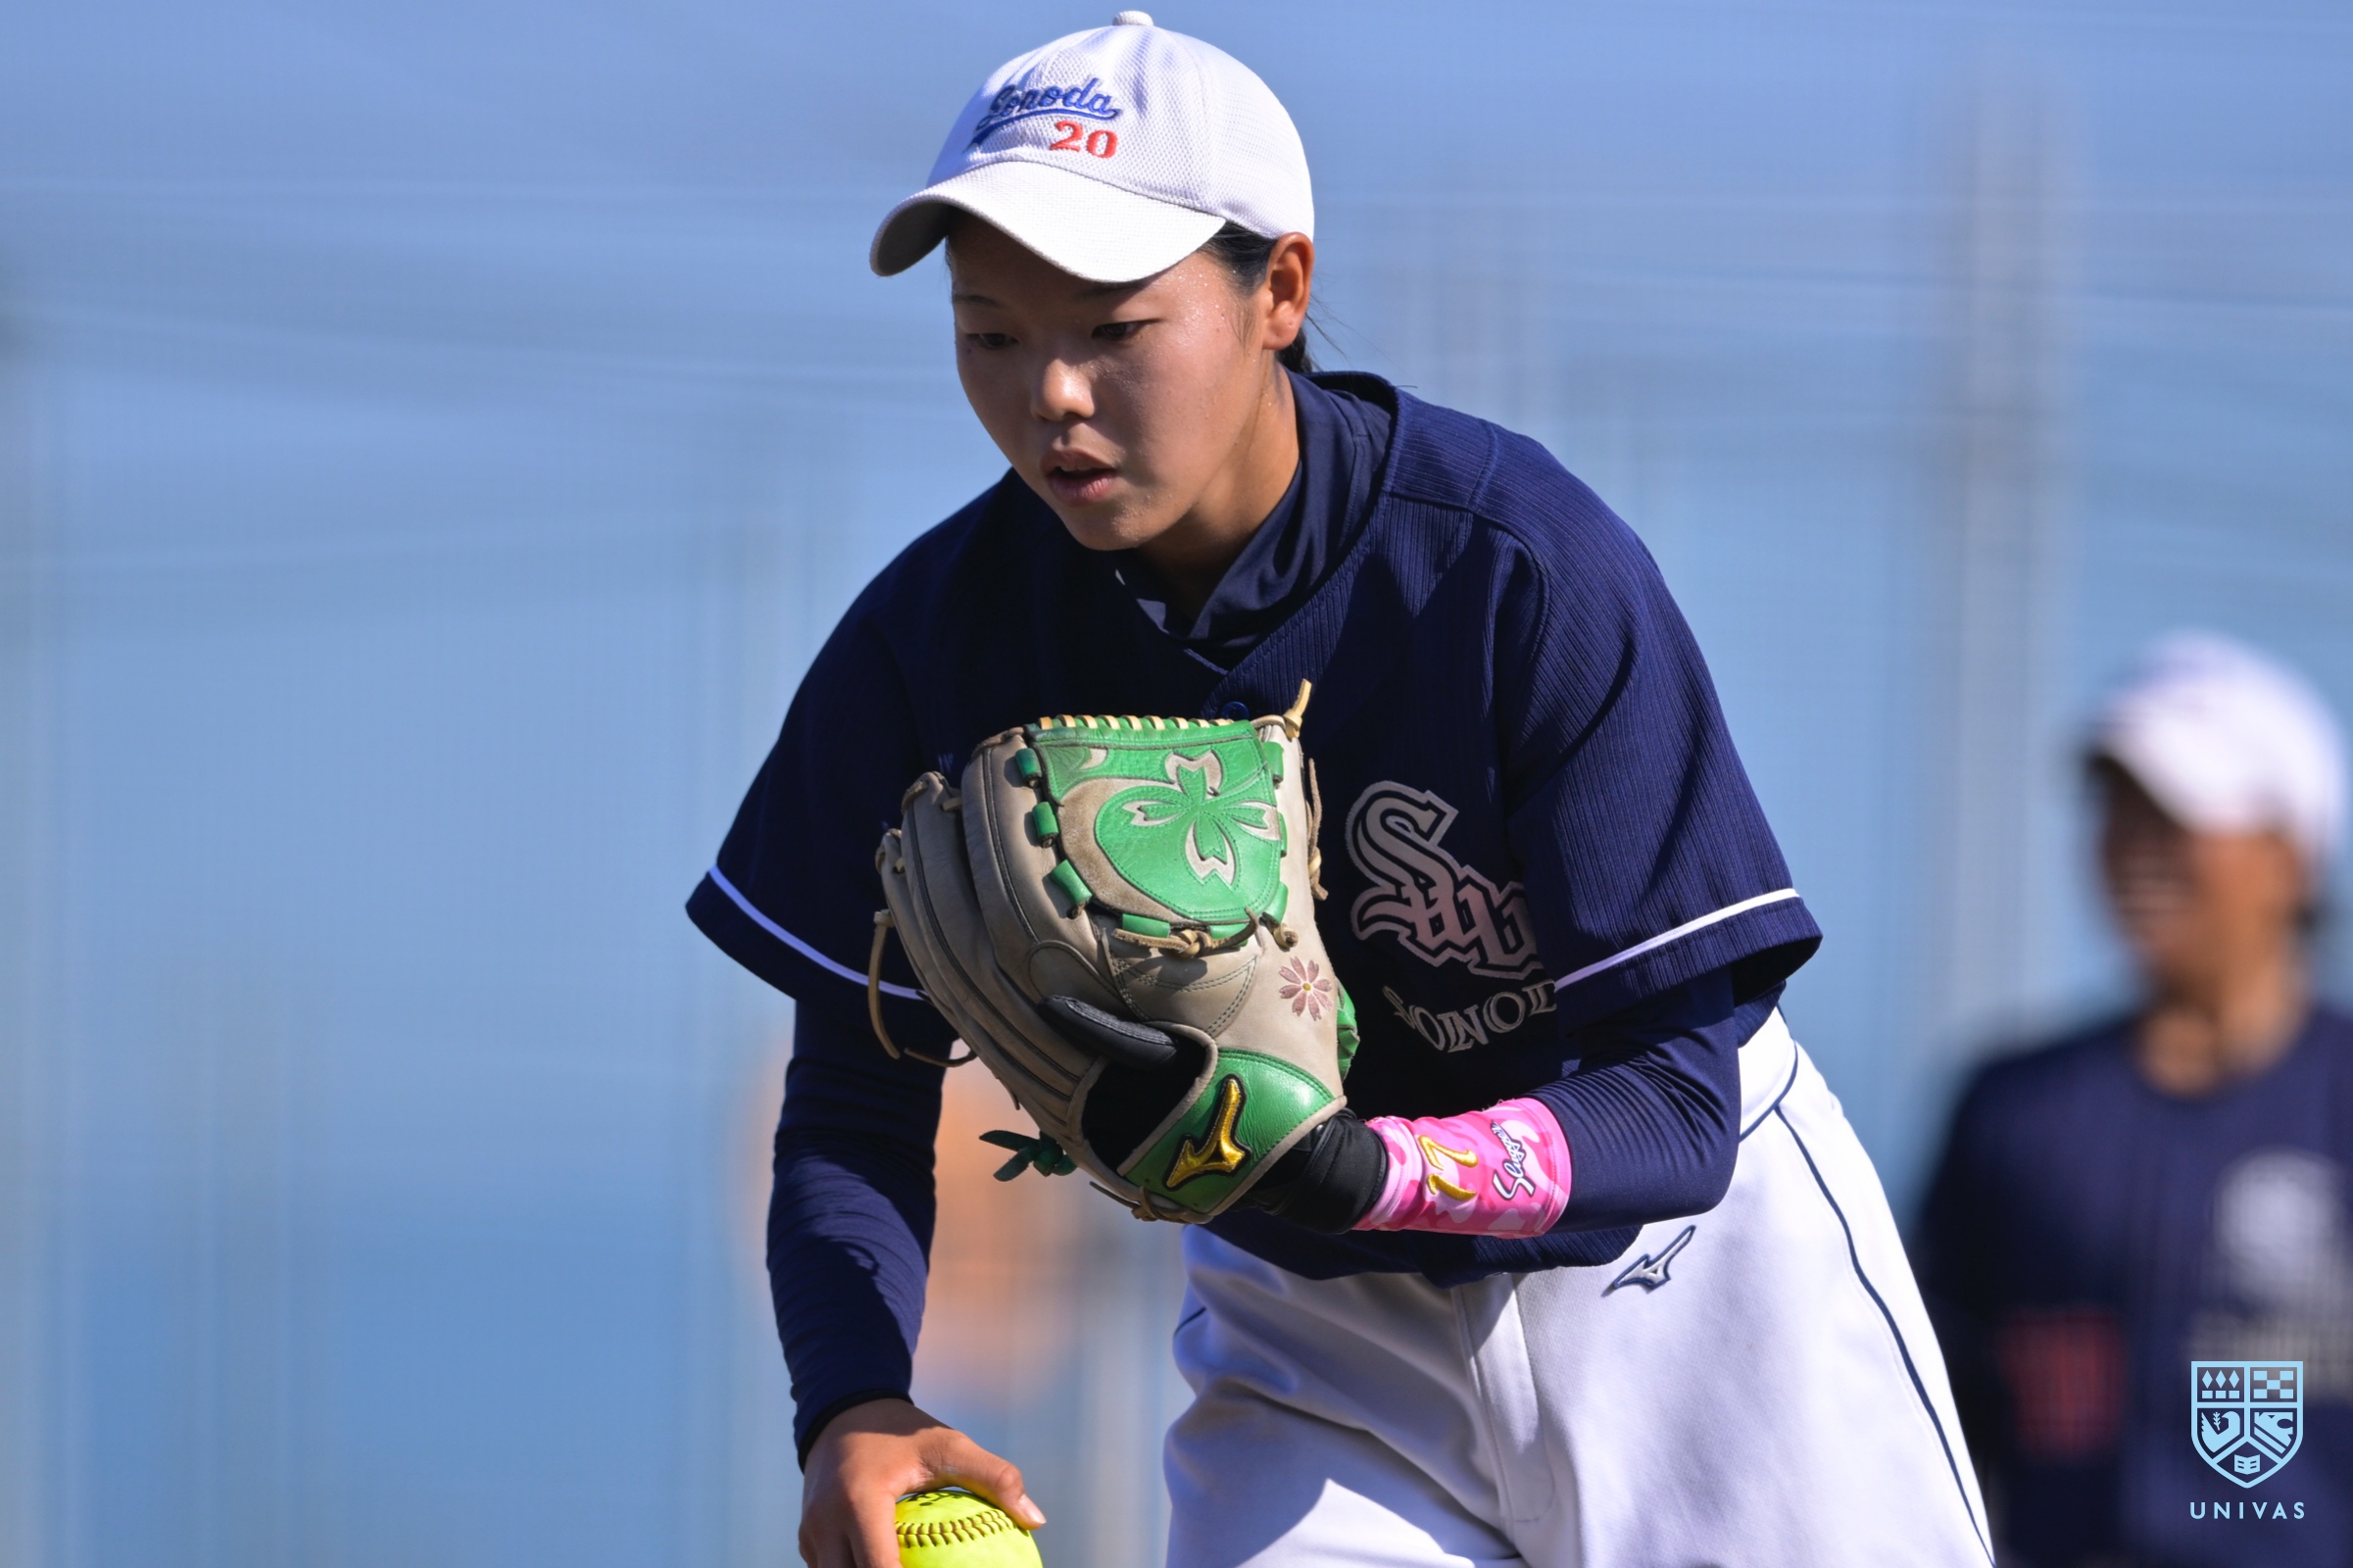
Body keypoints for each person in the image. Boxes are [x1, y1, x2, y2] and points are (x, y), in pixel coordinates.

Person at [688, 15, 1989, 1566]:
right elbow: (856, 1090)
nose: (1053, 391)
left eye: (1113, 326)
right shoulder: (936, 648)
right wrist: (852, 1400)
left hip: (1684, 1290)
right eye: (991, 333)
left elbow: (1677, 1105)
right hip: (1316, 1335)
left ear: (1281, 292)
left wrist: (1373, 1166)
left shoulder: (1511, 568)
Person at [1918, 632, 2353, 1567]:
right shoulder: (2014, 1112)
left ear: (2290, 857)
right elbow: (1930, 1416)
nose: (2135, 847)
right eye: (2117, 809)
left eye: (2176, 816)